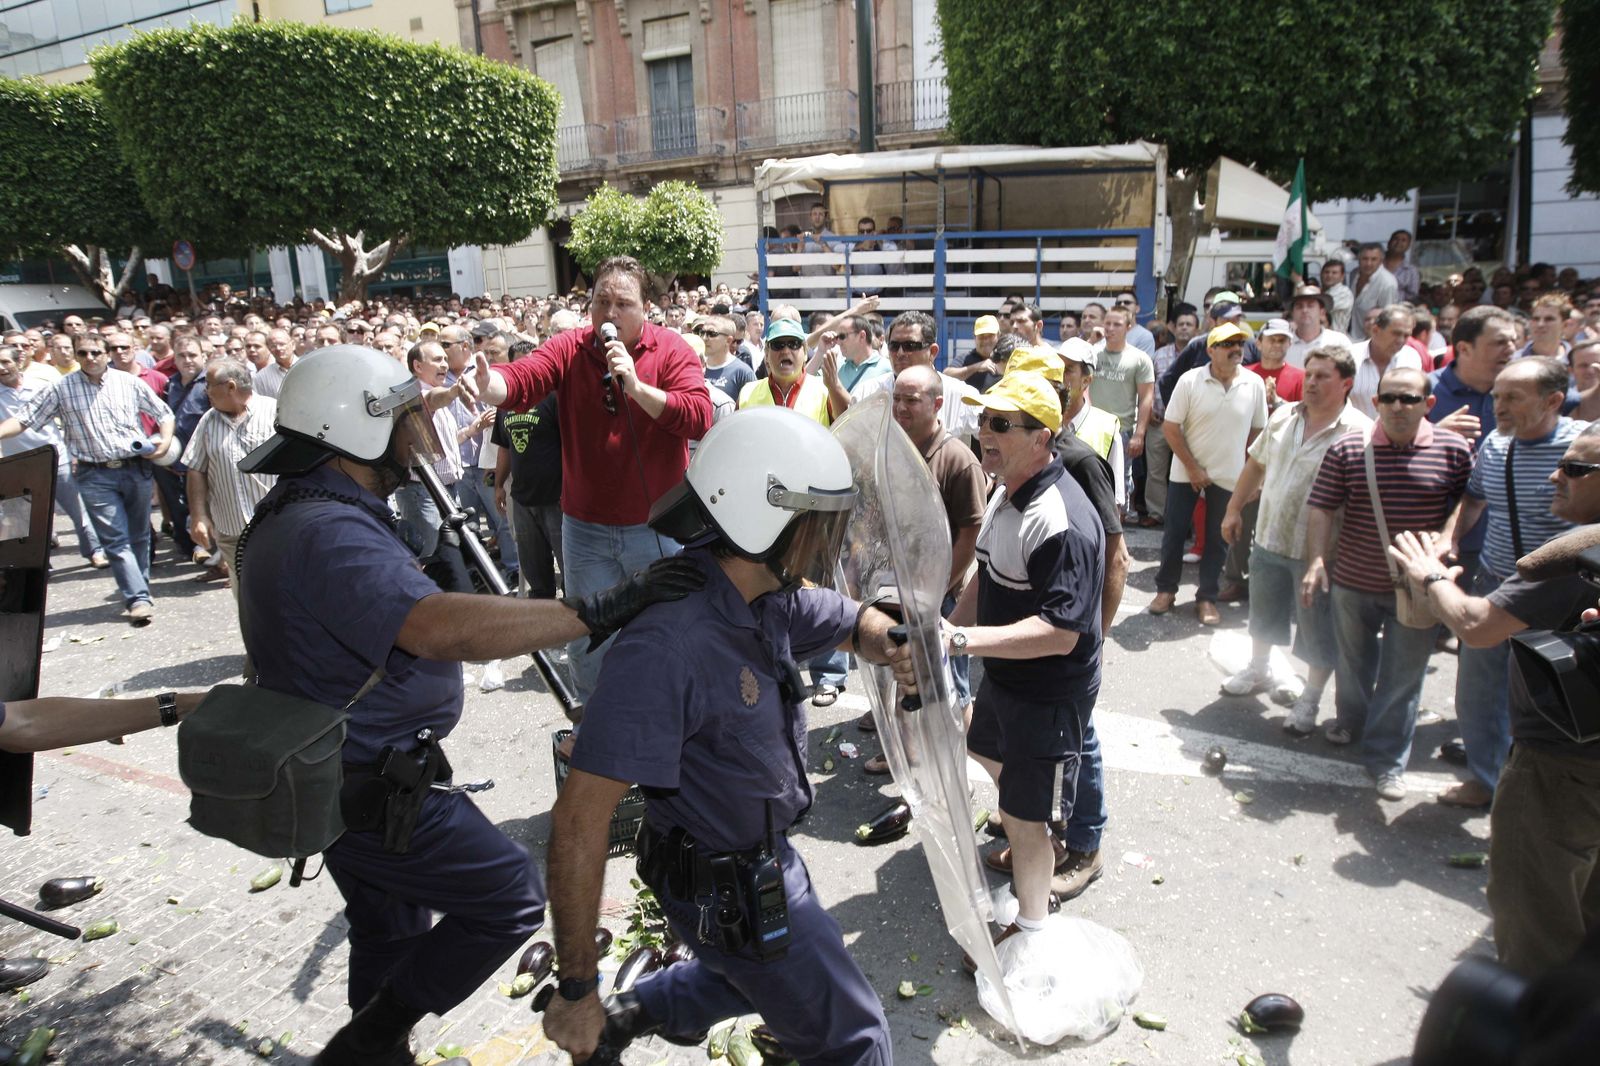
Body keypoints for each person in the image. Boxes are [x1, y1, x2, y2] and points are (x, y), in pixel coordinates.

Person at [235, 345, 703, 1066]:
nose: (417, 432)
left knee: (389, 932)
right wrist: (599, 608)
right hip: (364, 776)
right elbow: (438, 627)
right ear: (351, 432)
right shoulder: (327, 531)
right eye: (403, 419)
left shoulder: (309, 511)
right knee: (508, 893)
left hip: (342, 773)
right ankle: (370, 1038)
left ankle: (375, 1053)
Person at [542, 408, 914, 1066]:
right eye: (819, 523)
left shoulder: (765, 593)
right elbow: (579, 821)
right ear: (762, 516)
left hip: (741, 873)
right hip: (726, 883)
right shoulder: (670, 643)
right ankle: (618, 1012)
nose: (829, 541)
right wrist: (576, 989)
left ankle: (638, 1012)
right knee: (857, 1040)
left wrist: (891, 642)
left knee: (736, 971)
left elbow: (850, 619)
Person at [1386, 431, 1600, 975]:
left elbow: (1476, 625)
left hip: (1562, 767)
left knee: (1537, 921)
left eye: (1572, 468)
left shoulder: (1580, 556)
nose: (1555, 476)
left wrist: (1430, 576)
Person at [472, 255, 714, 705]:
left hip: (656, 528)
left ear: (647, 309)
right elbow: (527, 377)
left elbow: (698, 416)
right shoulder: (571, 347)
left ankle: (666, 719)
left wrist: (639, 389)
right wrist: (492, 387)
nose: (610, 313)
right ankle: (596, 726)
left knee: (667, 631)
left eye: (623, 303)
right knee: (587, 637)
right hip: (584, 532)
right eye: (601, 301)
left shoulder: (672, 350)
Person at [952, 371, 1104, 955]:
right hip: (1007, 674)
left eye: (1000, 425)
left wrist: (961, 643)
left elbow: (1061, 634)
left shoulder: (1059, 519)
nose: (984, 434)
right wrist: (950, 627)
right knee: (985, 748)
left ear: (1043, 437)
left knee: (1024, 812)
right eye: (982, 421)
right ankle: (1030, 822)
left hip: (1048, 688)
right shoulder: (1006, 486)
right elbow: (986, 575)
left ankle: (1032, 926)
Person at [1302, 366, 1474, 799]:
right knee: (1354, 662)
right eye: (1390, 398)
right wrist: (1317, 560)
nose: (1399, 407)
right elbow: (1322, 507)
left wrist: (1448, 538)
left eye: (1409, 399)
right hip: (1355, 581)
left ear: (1428, 405)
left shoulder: (1453, 450)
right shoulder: (1347, 448)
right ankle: (1351, 720)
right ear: (1375, 403)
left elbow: (1467, 501)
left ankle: (1386, 761)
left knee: (1403, 677)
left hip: (1420, 590)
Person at [1433, 357, 1584, 809]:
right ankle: (1484, 778)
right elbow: (1474, 499)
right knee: (1478, 693)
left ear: (1553, 400)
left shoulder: (1584, 451)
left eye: (1513, 397)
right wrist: (1449, 536)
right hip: (1497, 584)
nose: (1498, 406)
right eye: (1496, 395)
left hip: (1563, 598)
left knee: (1552, 702)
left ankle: (1542, 795)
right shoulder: (1497, 446)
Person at [1220, 346, 1372, 734]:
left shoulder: (1360, 433)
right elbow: (1256, 464)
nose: (1313, 382)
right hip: (1270, 535)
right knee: (1263, 614)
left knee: (1317, 628)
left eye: (1323, 376)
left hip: (1320, 553)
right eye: (1310, 374)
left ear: (1346, 383)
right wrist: (1234, 509)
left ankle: (1311, 699)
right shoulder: (1285, 416)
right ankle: (1258, 668)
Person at [0, 333, 174, 624]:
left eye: (95, 352)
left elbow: (164, 413)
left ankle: (138, 587)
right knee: (116, 540)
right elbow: (25, 418)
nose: (90, 358)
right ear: (77, 356)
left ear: (106, 354)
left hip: (135, 469)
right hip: (95, 474)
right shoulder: (61, 387)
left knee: (140, 535)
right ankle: (138, 597)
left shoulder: (128, 382)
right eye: (83, 353)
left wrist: (165, 442)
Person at [1152, 323, 1268, 625]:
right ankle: (1166, 591)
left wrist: (1250, 475)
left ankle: (1206, 597)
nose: (1236, 349)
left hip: (1229, 475)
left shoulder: (1253, 383)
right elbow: (1170, 427)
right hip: (1184, 472)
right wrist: (1192, 467)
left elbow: (1258, 432)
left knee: (1219, 539)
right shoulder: (1190, 381)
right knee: (1174, 534)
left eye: (1239, 343)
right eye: (1227, 344)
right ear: (1210, 350)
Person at [182, 358, 276, 668]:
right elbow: (195, 469)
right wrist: (199, 515)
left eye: (209, 386)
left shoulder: (276, 412)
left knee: (287, 591)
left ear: (230, 387)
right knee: (247, 600)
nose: (206, 392)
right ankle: (260, 661)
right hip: (234, 532)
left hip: (278, 527)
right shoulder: (208, 421)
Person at [0, 345, 106, 568]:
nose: (1, 368)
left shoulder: (42, 386)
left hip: (56, 458)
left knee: (78, 510)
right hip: (17, 464)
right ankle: (35, 565)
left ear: (18, 362)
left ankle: (94, 551)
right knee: (22, 519)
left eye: (5, 362)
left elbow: (69, 417)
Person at [1090, 306, 1155, 504]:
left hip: (1122, 431)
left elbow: (1146, 398)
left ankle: (1118, 525)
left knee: (1120, 484)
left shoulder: (1140, 359)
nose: (1110, 328)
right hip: (1092, 428)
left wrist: (1139, 434)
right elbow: (1070, 369)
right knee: (1090, 480)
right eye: (1107, 323)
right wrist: (1091, 341)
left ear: (1128, 327)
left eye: (1117, 324)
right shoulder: (1092, 352)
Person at [1349, 304, 1423, 418]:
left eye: (1406, 335)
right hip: (1354, 433)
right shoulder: (1351, 357)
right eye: (1396, 334)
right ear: (1375, 330)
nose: (1401, 340)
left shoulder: (1410, 358)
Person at [1349, 243, 1399, 342]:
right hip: (1349, 336)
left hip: (1370, 340)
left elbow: (1387, 317)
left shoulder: (1387, 283)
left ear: (1381, 261)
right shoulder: (1354, 274)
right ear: (1358, 259)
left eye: (1373, 259)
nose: (1368, 263)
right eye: (1365, 259)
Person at [949, 314, 1004, 393]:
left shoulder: (1006, 359)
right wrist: (976, 367)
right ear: (974, 337)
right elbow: (946, 376)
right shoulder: (965, 358)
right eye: (981, 336)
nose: (986, 341)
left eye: (990, 336)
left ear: (999, 335)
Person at [1320, 259, 1356, 334]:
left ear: (1342, 276)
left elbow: (1321, 309)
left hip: (1337, 337)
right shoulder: (1326, 292)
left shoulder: (1344, 292)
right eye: (1327, 272)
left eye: (1334, 273)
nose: (1329, 275)